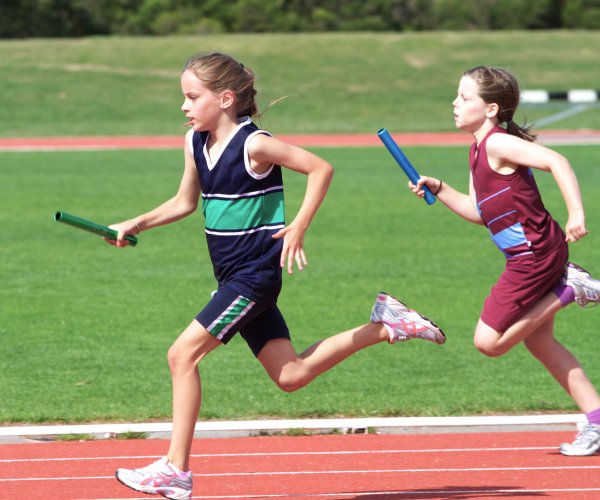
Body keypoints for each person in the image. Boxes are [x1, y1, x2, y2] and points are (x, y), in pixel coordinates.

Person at [108, 52, 445, 500]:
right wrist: (136, 222)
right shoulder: (194, 142)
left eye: (192, 97)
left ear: (225, 98)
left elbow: (320, 168)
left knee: (181, 355)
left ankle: (175, 469)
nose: (185, 106)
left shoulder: (255, 145)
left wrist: (299, 225)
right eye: (183, 98)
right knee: (291, 375)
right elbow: (184, 202)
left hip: (252, 278)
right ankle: (384, 325)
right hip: (232, 277)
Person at [409, 65, 600, 457]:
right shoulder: (479, 148)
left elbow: (557, 161)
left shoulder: (497, 143)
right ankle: (597, 422)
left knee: (489, 342)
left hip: (534, 257)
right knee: (540, 341)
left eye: (464, 98)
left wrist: (577, 213)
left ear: (491, 109)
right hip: (533, 253)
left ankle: (570, 289)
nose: (455, 103)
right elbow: (479, 211)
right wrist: (441, 188)